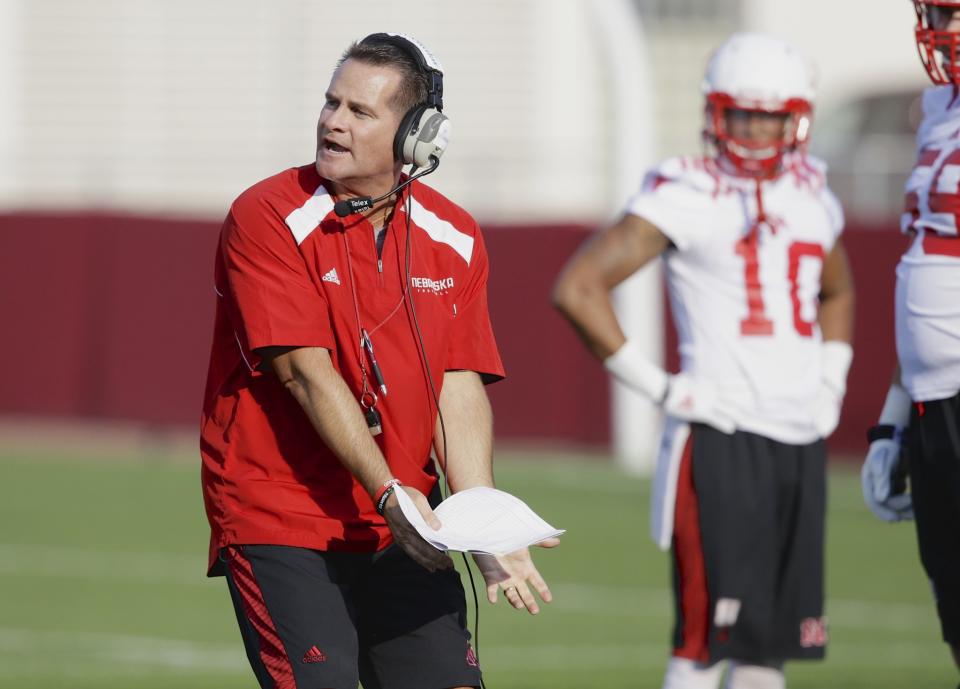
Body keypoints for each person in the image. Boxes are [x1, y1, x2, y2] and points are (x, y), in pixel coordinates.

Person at [200, 32, 556, 689]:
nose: (333, 120)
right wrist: (390, 492)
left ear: (417, 134)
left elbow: (458, 381)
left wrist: (479, 515)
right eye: (331, 102)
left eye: (360, 111)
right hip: (284, 516)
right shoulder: (267, 215)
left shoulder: (455, 235)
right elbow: (306, 375)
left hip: (407, 522)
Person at [553, 33, 854, 689]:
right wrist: (661, 388)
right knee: (701, 644)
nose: (753, 132)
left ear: (795, 118)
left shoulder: (811, 193)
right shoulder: (686, 188)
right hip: (721, 434)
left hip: (797, 436)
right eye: (741, 114)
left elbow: (837, 289)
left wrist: (831, 378)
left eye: (769, 116)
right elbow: (578, 286)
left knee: (769, 648)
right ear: (715, 112)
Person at [861, 1, 960, 678]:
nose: (940, 32)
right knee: (954, 604)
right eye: (934, 13)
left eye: (952, 15)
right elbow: (923, 273)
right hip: (933, 400)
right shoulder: (938, 109)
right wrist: (893, 422)